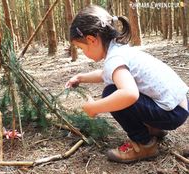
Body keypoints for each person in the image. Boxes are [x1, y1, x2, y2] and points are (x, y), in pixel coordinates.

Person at [65, 5, 189, 163]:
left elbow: (129, 94)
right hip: (178, 106)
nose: (84, 53)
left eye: (81, 48)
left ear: (91, 39)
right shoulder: (120, 50)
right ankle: (154, 128)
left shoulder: (114, 59)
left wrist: (94, 107)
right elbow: (106, 74)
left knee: (111, 93)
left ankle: (144, 144)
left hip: (171, 113)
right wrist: (81, 77)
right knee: (114, 88)